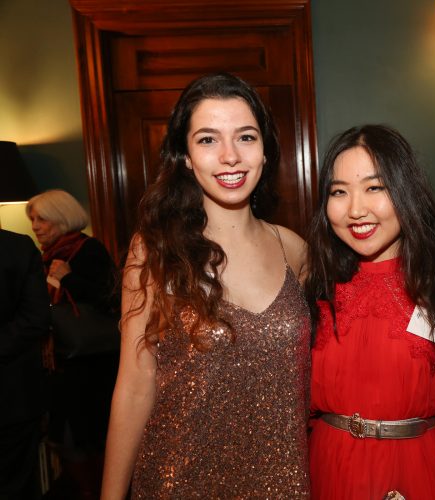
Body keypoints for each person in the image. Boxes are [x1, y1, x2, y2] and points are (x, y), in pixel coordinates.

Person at [100, 72, 310, 499]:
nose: (230, 156)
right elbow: (135, 384)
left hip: (283, 484)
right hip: (177, 482)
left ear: (266, 151)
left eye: (246, 138)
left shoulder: (294, 249)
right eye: (208, 140)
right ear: (186, 157)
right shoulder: (155, 250)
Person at [306, 124, 435, 499]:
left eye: (375, 187)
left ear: (406, 192)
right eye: (339, 192)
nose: (356, 210)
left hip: (414, 476)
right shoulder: (312, 288)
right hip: (329, 472)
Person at [26, 189, 118, 499]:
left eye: (42, 219)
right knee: (65, 439)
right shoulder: (45, 255)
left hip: (93, 363)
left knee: (94, 437)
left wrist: (68, 279)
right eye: (33, 219)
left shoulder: (88, 249)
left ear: (62, 217)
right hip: (62, 364)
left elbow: (112, 300)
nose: (36, 226)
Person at [0, 229, 49, 499]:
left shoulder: (16, 247)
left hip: (12, 401)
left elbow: (36, 318)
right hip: (14, 398)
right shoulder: (17, 246)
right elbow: (35, 319)